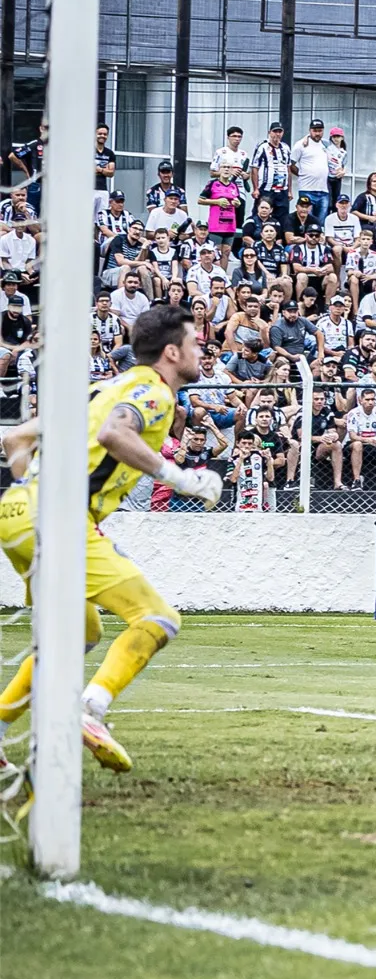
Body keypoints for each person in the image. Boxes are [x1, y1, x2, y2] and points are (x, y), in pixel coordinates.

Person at [0, 306, 220, 778]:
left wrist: (29, 492)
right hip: (58, 517)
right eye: (195, 343)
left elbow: (16, 439)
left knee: (78, 634)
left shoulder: (102, 389)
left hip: (16, 513)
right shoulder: (154, 392)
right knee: (158, 617)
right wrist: (181, 479)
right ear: (171, 352)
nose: (202, 351)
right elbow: (114, 433)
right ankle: (89, 710)